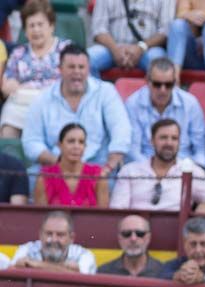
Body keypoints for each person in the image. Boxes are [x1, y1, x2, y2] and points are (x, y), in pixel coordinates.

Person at [22, 45, 132, 178]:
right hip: (56, 166)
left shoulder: (105, 91)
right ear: (60, 69)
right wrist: (58, 163)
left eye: (81, 67)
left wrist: (108, 168)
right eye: (71, 67)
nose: (77, 72)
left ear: (88, 69)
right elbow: (31, 141)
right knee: (28, 179)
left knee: (117, 183)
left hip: (98, 167)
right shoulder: (43, 99)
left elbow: (121, 130)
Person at [111, 118, 205, 214]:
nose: (169, 143)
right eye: (163, 138)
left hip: (176, 236)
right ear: (152, 141)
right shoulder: (129, 171)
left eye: (174, 138)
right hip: (136, 236)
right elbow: (117, 210)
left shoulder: (192, 171)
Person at [0, 1, 70, 138]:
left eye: (40, 24)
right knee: (8, 128)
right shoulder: (18, 53)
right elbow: (7, 82)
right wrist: (8, 85)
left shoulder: (66, 49)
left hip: (55, 103)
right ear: (25, 31)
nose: (36, 30)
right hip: (22, 105)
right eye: (31, 26)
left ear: (51, 26)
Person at [124, 58, 205, 168]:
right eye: (157, 84)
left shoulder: (190, 103)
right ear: (147, 81)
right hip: (144, 171)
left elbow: (200, 148)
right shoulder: (133, 104)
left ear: (175, 82)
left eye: (168, 85)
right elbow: (132, 150)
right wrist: (154, 171)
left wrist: (191, 169)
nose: (163, 90)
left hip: (183, 169)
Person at [87, 0, 172, 76]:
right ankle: (96, 93)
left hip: (148, 48)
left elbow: (165, 31)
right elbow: (98, 29)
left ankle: (154, 93)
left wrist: (141, 47)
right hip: (112, 47)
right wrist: (115, 50)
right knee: (87, 60)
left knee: (159, 65)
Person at [33, 123, 108, 208]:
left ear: (85, 146)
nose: (76, 147)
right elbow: (40, 217)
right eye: (71, 141)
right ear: (60, 145)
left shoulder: (98, 175)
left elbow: (103, 217)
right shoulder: (45, 177)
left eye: (81, 142)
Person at [4, 210, 97, 274]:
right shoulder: (27, 249)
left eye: (60, 235)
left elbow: (82, 278)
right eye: (49, 234)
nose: (53, 239)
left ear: (71, 238)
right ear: (40, 235)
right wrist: (65, 270)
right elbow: (11, 273)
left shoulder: (84, 254)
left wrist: (35, 264)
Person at [97, 215, 168, 278]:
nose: (133, 239)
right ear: (119, 238)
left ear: (148, 237)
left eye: (140, 233)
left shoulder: (164, 273)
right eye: (126, 234)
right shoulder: (103, 273)